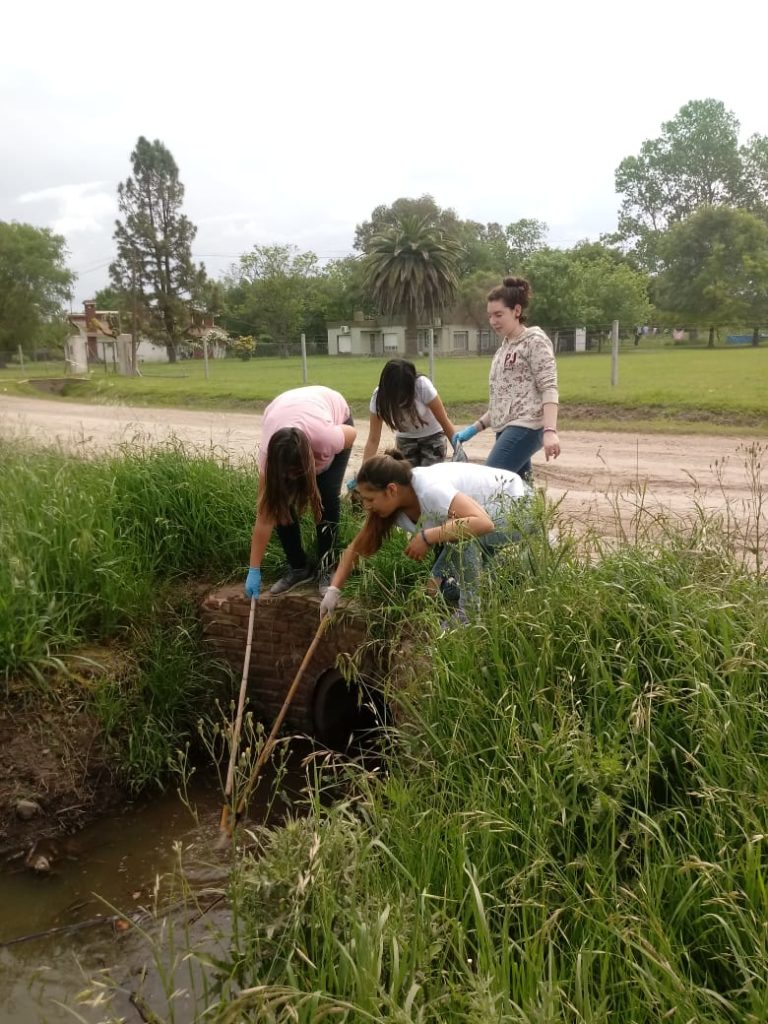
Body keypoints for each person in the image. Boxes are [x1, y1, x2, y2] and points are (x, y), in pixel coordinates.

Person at [320, 451, 531, 621]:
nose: (366, 506)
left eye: (370, 499)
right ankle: (506, 575)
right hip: (489, 516)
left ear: (391, 490)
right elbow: (357, 547)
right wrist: (334, 590)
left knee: (460, 539)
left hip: (520, 507)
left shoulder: (429, 489)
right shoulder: (391, 505)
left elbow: (483, 522)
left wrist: (426, 537)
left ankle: (469, 615)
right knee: (443, 590)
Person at [244, 385, 356, 600]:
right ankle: (299, 568)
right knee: (279, 502)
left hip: (332, 416)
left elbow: (352, 434)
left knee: (326, 497)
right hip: (283, 410)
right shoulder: (269, 457)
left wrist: (319, 473)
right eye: (287, 473)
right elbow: (265, 515)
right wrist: (254, 569)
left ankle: (326, 568)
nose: (293, 478)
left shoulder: (326, 438)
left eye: (297, 472)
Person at [452, 275, 560, 480]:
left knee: (491, 482)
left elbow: (549, 387)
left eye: (499, 314)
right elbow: (502, 402)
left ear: (516, 311)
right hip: (506, 428)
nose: (493, 321)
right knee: (517, 492)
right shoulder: (503, 350)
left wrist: (550, 430)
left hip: (527, 426)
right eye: (490, 316)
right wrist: (473, 429)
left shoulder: (534, 341)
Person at [346, 359, 457, 495]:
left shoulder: (422, 386)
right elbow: (373, 439)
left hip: (433, 438)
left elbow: (444, 421)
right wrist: (363, 476)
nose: (401, 397)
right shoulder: (379, 397)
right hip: (405, 441)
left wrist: (459, 450)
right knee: (406, 484)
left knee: (429, 483)